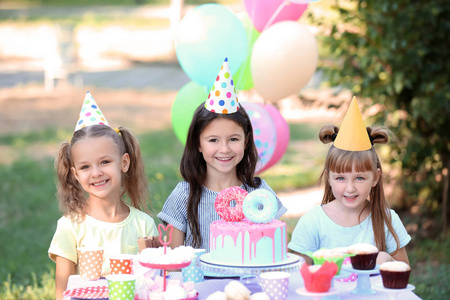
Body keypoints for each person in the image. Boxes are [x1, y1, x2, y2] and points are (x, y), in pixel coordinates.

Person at [158, 58, 287, 250]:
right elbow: (174, 261)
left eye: (233, 139)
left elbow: (274, 250)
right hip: (197, 280)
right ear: (198, 144)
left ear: (246, 141)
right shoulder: (184, 195)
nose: (224, 149)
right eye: (213, 140)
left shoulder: (259, 194)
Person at [48, 92, 158, 300]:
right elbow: (62, 292)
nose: (96, 173)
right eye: (85, 166)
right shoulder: (70, 226)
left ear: (124, 163)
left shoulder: (143, 225)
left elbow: (151, 284)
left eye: (105, 162)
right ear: (76, 174)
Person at [288, 97, 411, 266]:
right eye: (340, 178)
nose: (350, 188)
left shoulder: (387, 220)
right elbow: (298, 274)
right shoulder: (313, 222)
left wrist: (386, 260)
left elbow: (404, 272)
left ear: (375, 177)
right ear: (328, 178)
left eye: (359, 178)